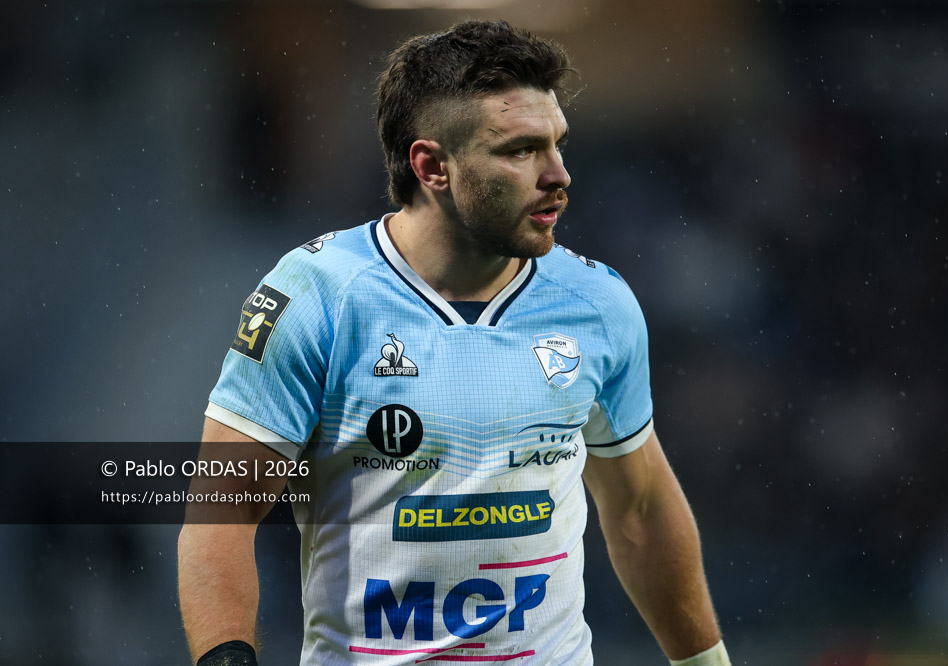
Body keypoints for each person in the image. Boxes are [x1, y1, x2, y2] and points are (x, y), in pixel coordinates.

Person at [178, 19, 730, 666]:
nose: (558, 174)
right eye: (520, 150)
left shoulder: (597, 305)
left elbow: (639, 508)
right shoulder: (317, 297)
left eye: (557, 144)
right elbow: (221, 515)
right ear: (432, 166)